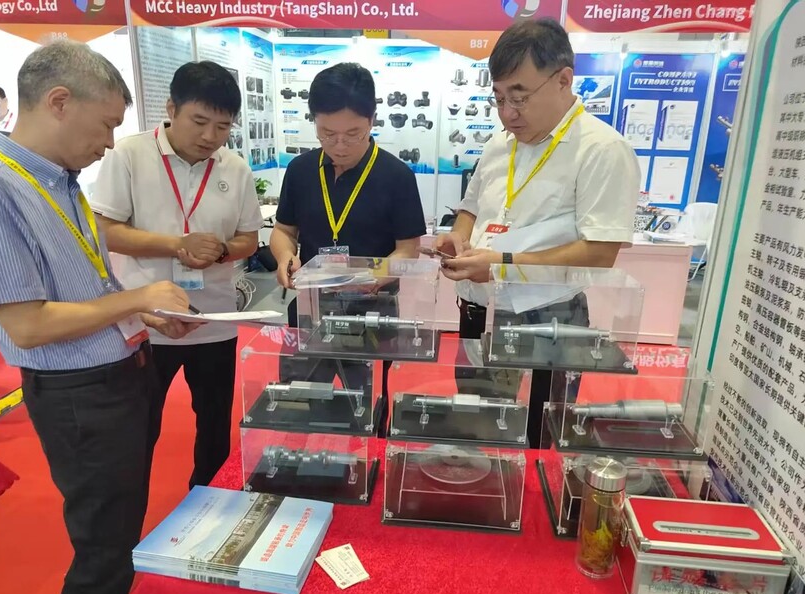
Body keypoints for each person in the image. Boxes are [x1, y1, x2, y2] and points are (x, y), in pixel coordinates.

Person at [0, 41, 197, 594]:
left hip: (119, 377)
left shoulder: (64, 183)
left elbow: (85, 287)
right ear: (59, 102)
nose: (109, 143)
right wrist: (135, 299)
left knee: (119, 539)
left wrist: (142, 315)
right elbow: (26, 325)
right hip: (79, 395)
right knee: (103, 553)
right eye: (106, 125)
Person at [436, 19, 640, 448]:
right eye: (498, 98)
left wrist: (501, 265)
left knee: (542, 435)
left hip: (549, 316)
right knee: (478, 425)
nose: (508, 113)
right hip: (479, 307)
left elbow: (600, 252)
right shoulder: (500, 143)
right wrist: (458, 237)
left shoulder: (602, 149)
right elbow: (470, 208)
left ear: (564, 80)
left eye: (520, 97)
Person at [93, 61, 262, 488]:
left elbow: (249, 239)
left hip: (214, 321)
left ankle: (207, 503)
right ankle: (127, 508)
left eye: (222, 127)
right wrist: (176, 244)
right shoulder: (128, 155)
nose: (210, 136)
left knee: (215, 427)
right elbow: (105, 231)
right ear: (171, 108)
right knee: (139, 426)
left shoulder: (235, 168)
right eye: (199, 122)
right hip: (146, 321)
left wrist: (222, 250)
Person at [270, 62, 426, 434]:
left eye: (353, 134)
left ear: (371, 120)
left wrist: (374, 277)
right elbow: (284, 230)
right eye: (327, 133)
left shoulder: (397, 176)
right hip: (310, 309)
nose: (339, 145)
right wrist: (284, 256)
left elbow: (408, 249)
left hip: (371, 313)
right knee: (298, 407)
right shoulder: (301, 170)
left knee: (366, 413)